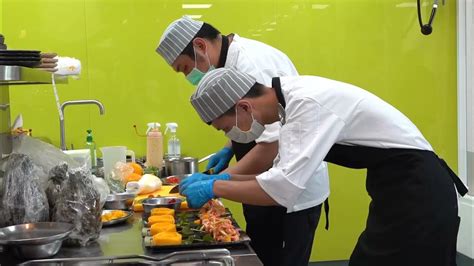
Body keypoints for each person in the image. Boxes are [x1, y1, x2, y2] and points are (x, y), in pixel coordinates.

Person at [181, 68, 468, 266]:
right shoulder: (289, 106)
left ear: (244, 107)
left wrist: (215, 186)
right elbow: (275, 176)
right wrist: (224, 178)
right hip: (398, 191)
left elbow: (280, 190)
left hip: (419, 194)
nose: (232, 136)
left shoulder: (306, 104)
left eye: (228, 128)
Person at [155, 16, 329, 266]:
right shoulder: (232, 60)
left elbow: (272, 145)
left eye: (184, 68)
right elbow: (251, 121)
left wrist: (218, 182)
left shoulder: (251, 65)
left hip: (292, 193)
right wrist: (229, 148)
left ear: (200, 46)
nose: (187, 76)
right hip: (263, 182)